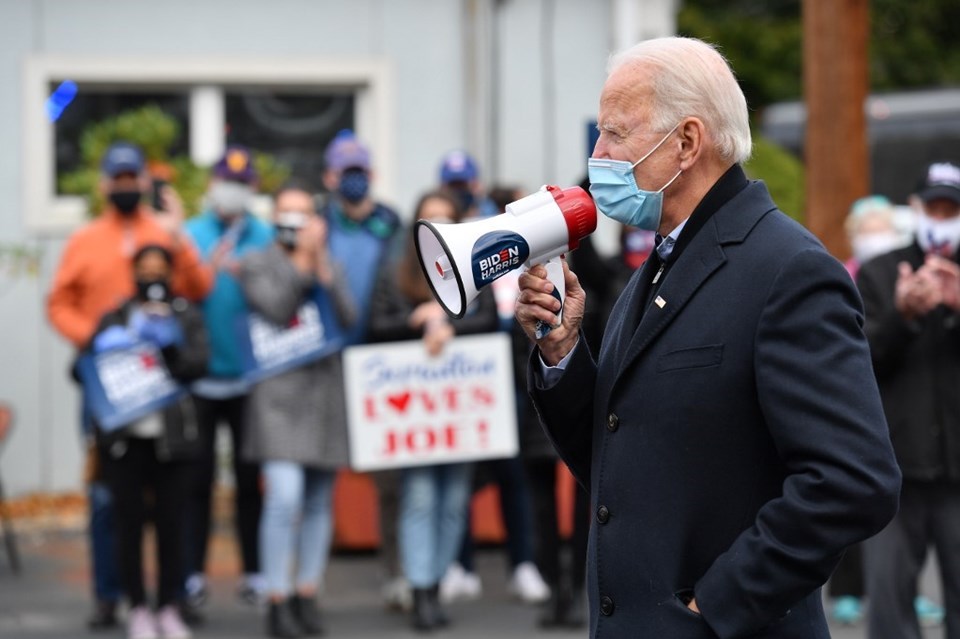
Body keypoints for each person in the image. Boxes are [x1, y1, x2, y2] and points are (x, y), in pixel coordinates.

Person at [515, 37, 901, 638]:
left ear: (688, 142)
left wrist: (715, 607)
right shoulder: (659, 267)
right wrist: (563, 354)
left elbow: (854, 482)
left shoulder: (787, 268)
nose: (598, 154)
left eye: (616, 133)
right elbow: (616, 455)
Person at [46, 141, 213, 630]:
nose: (123, 186)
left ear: (143, 181)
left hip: (164, 386)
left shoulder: (160, 231)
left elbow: (199, 290)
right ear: (104, 184)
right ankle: (111, 594)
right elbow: (59, 302)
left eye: (130, 178)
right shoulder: (85, 239)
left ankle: (171, 600)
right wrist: (98, 347)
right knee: (108, 498)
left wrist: (179, 238)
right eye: (115, 179)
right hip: (112, 384)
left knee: (170, 503)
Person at [367, 190, 499, 631]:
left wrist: (448, 324)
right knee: (421, 496)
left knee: (454, 501)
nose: (438, 227)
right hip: (419, 410)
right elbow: (375, 325)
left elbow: (488, 319)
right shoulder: (395, 272)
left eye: (445, 218)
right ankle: (421, 587)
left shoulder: (476, 267)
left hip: (458, 407)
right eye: (429, 220)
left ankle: (437, 582)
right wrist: (419, 321)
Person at [239, 183, 356, 638]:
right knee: (284, 496)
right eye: (287, 214)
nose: (296, 223)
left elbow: (348, 318)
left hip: (323, 393)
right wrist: (303, 265)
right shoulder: (255, 264)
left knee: (318, 500)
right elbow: (276, 308)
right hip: (277, 398)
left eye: (303, 214)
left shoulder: (332, 263)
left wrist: (324, 269)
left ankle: (307, 591)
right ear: (273, 218)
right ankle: (276, 595)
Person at [82, 245, 209, 639]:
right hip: (126, 442)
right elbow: (82, 370)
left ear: (171, 276)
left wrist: (169, 344)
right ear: (133, 273)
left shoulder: (186, 316)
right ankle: (136, 606)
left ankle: (170, 605)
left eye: (159, 270)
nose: (151, 277)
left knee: (173, 525)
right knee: (128, 525)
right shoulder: (115, 316)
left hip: (173, 442)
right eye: (144, 270)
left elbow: (198, 366)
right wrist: (110, 346)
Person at [857, 160, 960, 639]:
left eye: (950, 209)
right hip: (893, 468)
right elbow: (857, 363)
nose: (940, 218)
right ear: (915, 209)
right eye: (933, 207)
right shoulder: (880, 272)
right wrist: (903, 315)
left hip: (957, 471)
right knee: (891, 605)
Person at [440, 184, 551, 608]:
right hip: (462, 380)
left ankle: (522, 564)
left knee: (513, 472)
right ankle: (460, 565)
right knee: (461, 477)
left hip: (500, 374)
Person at [182, 146, 274, 614]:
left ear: (253, 188)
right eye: (226, 181)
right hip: (199, 379)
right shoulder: (190, 233)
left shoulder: (265, 234)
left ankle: (255, 572)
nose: (233, 190)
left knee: (247, 479)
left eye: (242, 182)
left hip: (250, 379)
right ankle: (192, 575)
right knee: (195, 480)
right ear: (212, 184)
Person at [318, 130, 404, 608]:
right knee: (318, 471)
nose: (353, 180)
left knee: (388, 479)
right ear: (330, 176)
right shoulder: (317, 223)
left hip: (379, 363)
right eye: (344, 172)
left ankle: (395, 573)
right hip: (326, 362)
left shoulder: (390, 222)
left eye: (360, 172)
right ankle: (309, 580)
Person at [843, 195, 904, 281]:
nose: (875, 239)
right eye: (868, 232)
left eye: (881, 231)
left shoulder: (905, 272)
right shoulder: (845, 275)